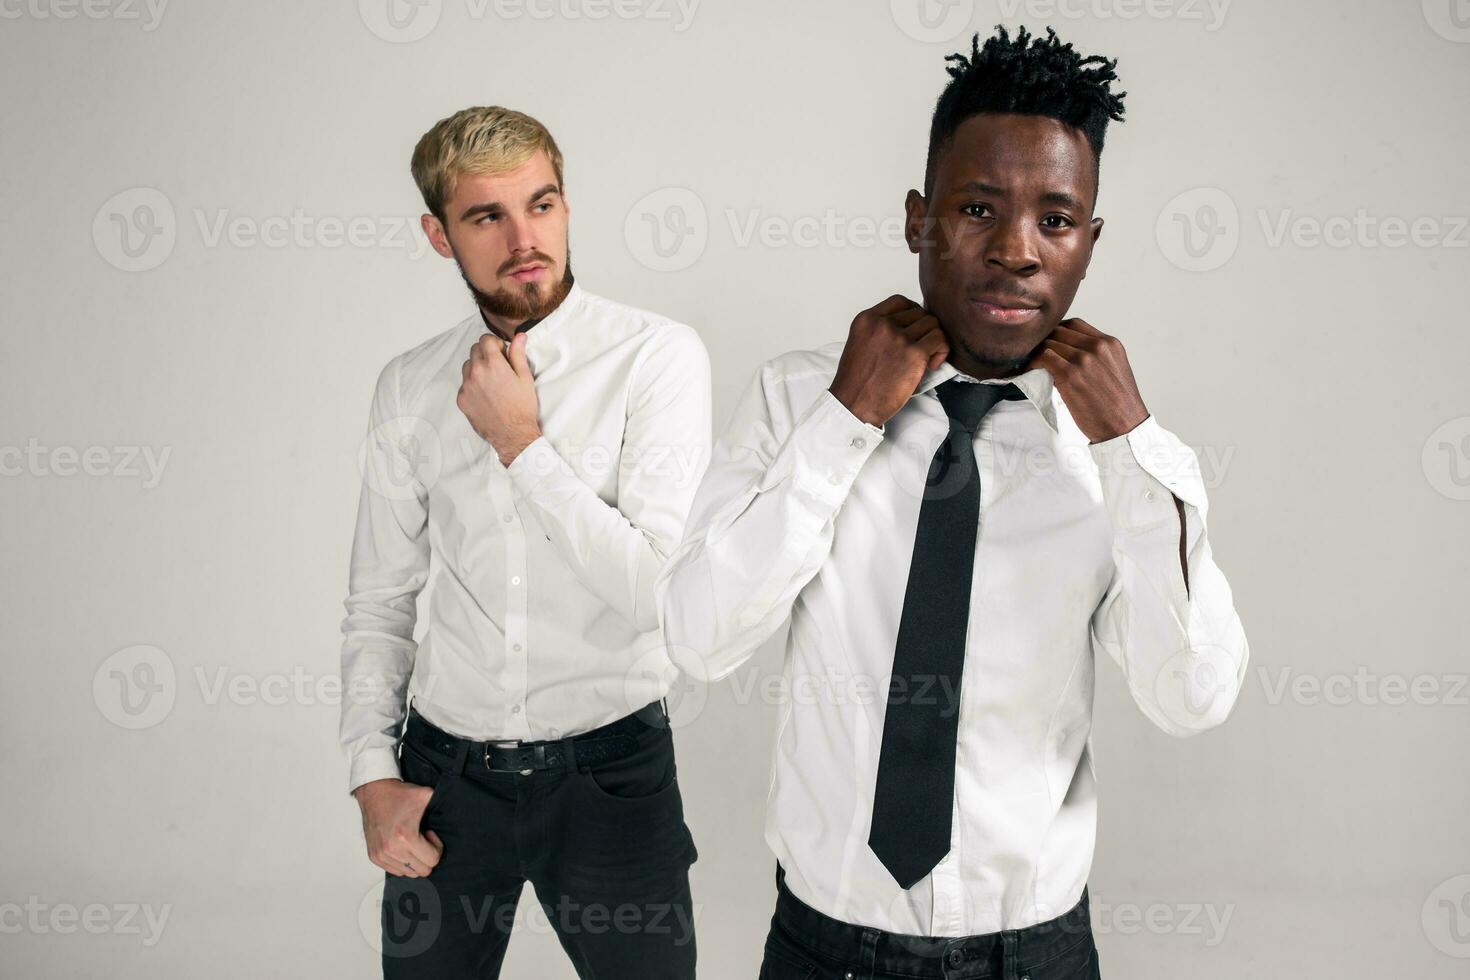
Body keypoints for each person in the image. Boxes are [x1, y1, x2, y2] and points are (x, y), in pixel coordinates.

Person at [656, 25, 1249, 980]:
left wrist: (1133, 450)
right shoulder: (797, 400)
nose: (1017, 251)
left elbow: (1192, 695)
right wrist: (846, 420)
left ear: (1089, 245)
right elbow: (697, 634)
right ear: (917, 219)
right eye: (978, 208)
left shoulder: (1122, 455)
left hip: (1036, 952)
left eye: (1055, 220)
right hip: (824, 947)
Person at [340, 105, 710, 979]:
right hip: (444, 780)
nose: (523, 238)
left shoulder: (655, 358)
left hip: (612, 778)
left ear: (567, 206)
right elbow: (380, 601)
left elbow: (662, 592)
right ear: (440, 235)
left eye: (541, 206)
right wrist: (371, 775)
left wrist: (521, 446)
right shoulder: (409, 386)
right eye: (486, 217)